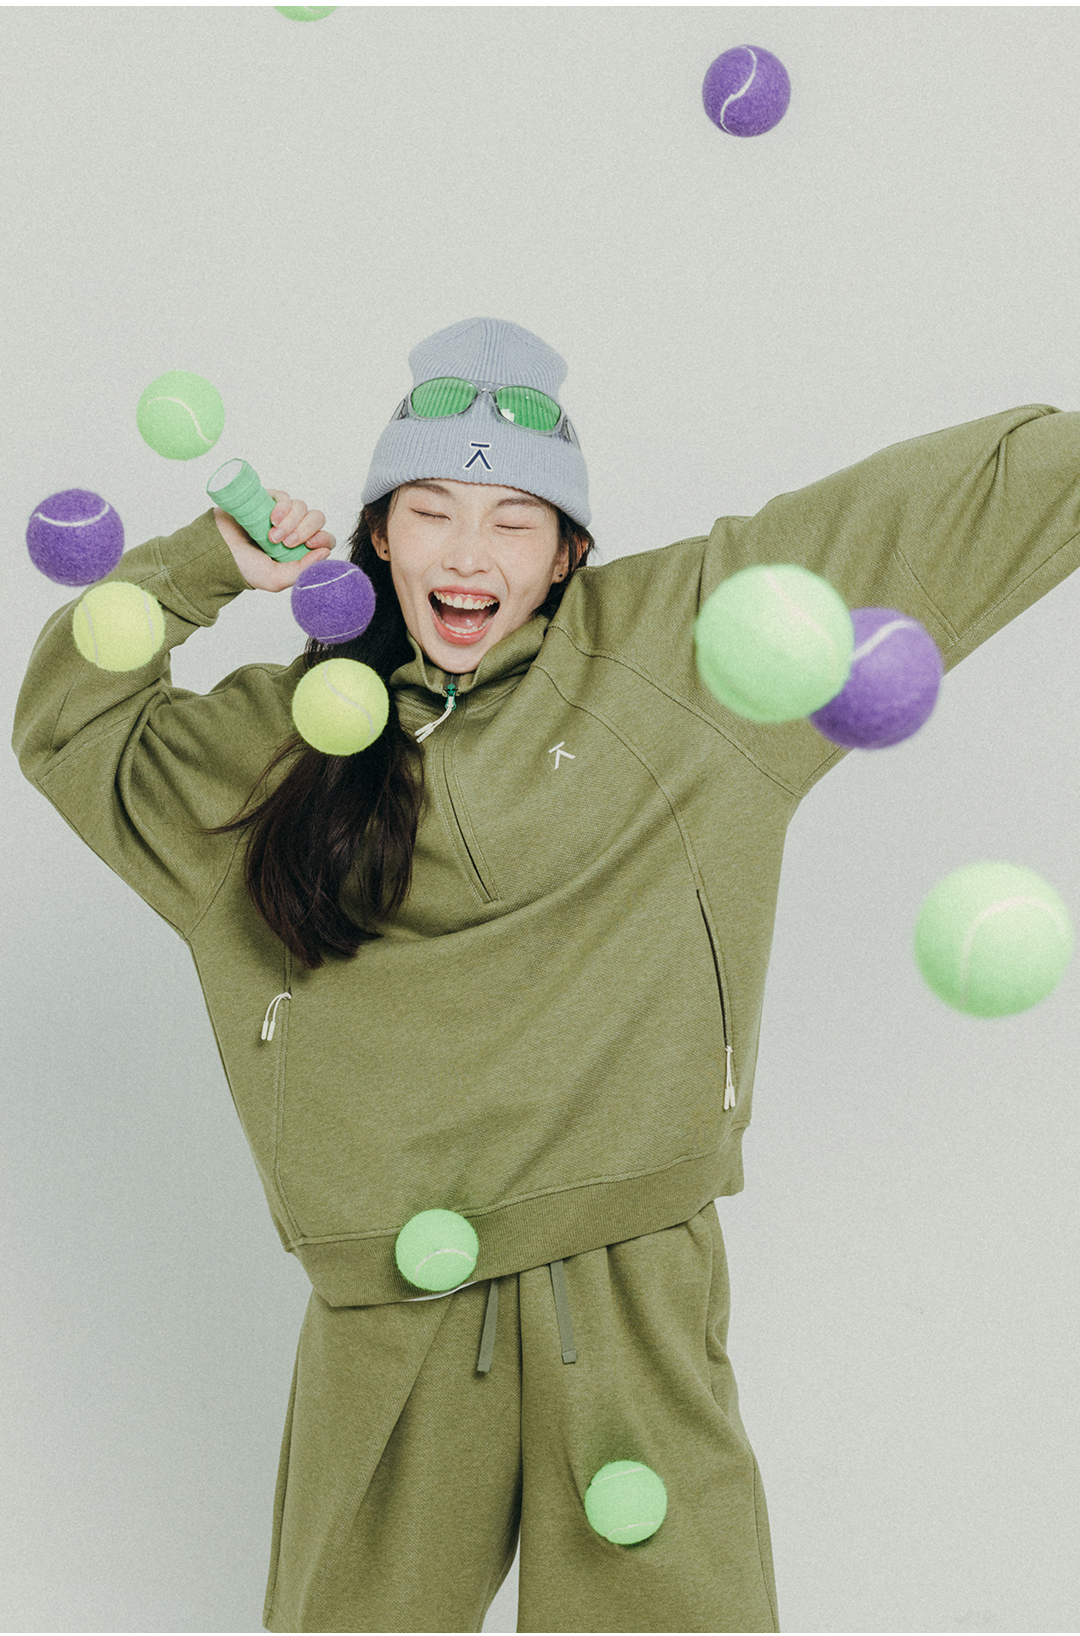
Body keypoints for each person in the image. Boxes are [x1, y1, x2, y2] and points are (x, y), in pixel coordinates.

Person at [12, 315, 1080, 1634]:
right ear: (378, 537)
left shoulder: (685, 656)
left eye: (514, 522)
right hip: (389, 1299)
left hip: (629, 1277)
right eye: (430, 513)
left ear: (570, 551)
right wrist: (199, 564)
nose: (470, 554)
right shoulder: (279, 748)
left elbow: (942, 512)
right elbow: (69, 729)